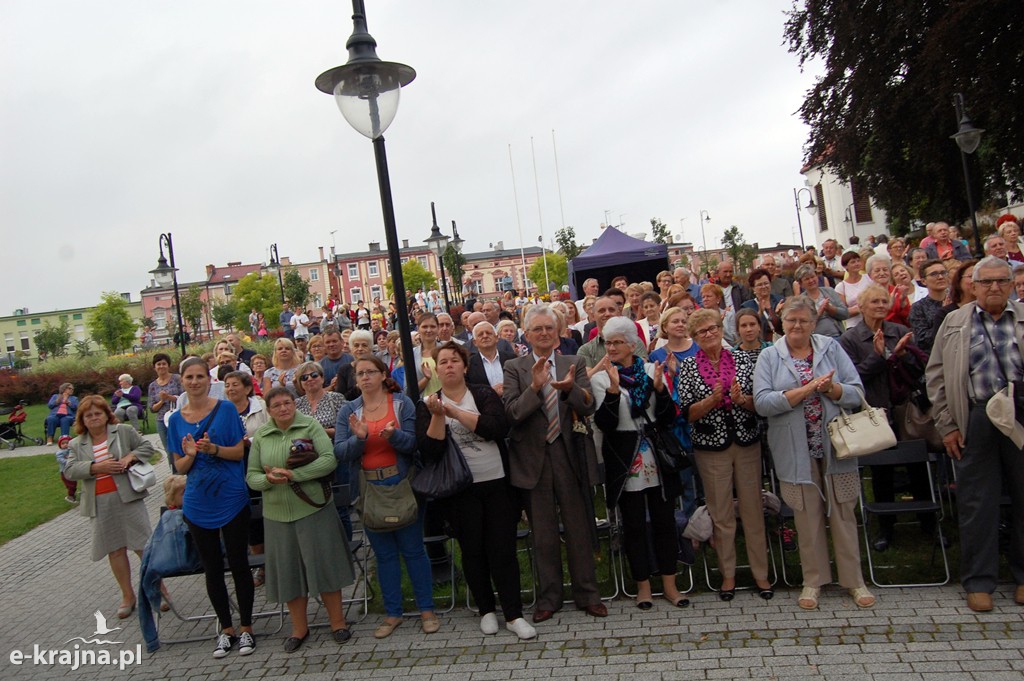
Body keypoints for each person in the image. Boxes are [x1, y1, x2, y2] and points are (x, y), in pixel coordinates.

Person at [753, 297, 875, 611]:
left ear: (812, 323)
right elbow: (763, 403)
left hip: (837, 443)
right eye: (791, 321)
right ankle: (813, 580)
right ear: (782, 324)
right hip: (795, 447)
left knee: (844, 511)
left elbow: (856, 391)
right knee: (807, 517)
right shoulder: (770, 356)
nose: (797, 326)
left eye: (803, 321)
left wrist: (832, 390)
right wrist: (805, 390)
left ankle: (854, 580)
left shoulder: (830, 348)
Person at [415, 343, 537, 639]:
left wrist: (454, 411)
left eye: (454, 361)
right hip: (459, 489)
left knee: (502, 549)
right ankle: (486, 610)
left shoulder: (481, 394)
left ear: (464, 366)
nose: (449, 366)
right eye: (443, 362)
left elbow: (496, 428)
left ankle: (514, 614)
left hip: (496, 483)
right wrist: (438, 415)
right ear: (436, 369)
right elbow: (430, 451)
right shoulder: (428, 403)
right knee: (473, 551)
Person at [926, 256, 1024, 612]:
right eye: (987, 282)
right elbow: (935, 376)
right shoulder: (955, 321)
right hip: (976, 416)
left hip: (1022, 415)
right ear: (974, 285)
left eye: (1002, 281)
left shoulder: (1021, 317)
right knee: (976, 503)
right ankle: (979, 581)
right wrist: (948, 425)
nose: (995, 287)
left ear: (1012, 285)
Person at [503, 304, 604, 623]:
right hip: (533, 458)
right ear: (527, 334)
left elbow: (589, 406)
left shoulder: (574, 362)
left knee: (578, 527)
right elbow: (512, 413)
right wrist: (534, 388)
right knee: (543, 532)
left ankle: (587, 594)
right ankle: (549, 597)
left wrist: (571, 388)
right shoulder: (514, 368)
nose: (544, 333)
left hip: (568, 453)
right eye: (537, 329)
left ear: (558, 332)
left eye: (549, 328)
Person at [334, 356, 439, 638]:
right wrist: (360, 438)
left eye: (370, 372)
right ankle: (393, 613)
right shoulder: (349, 411)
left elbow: (414, 444)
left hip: (402, 483)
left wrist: (393, 437)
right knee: (384, 555)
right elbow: (341, 453)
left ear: (383, 375)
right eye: (360, 373)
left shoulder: (402, 403)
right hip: (368, 488)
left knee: (414, 550)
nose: (365, 377)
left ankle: (426, 609)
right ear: (355, 380)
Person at [589, 318, 690, 610]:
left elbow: (669, 416)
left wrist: (659, 389)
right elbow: (605, 424)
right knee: (633, 525)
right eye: (608, 342)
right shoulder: (601, 377)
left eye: (617, 342)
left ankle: (670, 586)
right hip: (624, 456)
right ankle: (643, 587)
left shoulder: (650, 370)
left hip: (655, 455)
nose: (611, 347)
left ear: (633, 345)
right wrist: (611, 391)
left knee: (664, 522)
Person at [247, 387, 355, 652]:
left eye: (287, 403)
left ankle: (338, 623)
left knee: (325, 566)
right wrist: (268, 480)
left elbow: (329, 460)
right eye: (277, 406)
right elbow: (251, 475)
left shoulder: (310, 425)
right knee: (289, 572)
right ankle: (299, 628)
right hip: (277, 515)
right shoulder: (261, 435)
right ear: (269, 410)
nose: (283, 409)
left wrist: (295, 475)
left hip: (314, 510)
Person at [675, 308, 772, 600]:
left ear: (721, 329)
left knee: (753, 510)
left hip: (746, 441)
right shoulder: (689, 366)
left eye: (712, 328)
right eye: (701, 332)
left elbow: (762, 404)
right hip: (710, 448)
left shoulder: (743, 359)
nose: (709, 334)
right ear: (694, 338)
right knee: (722, 514)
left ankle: (761, 575)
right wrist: (711, 401)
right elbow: (686, 414)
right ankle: (727, 575)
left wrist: (742, 400)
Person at [167, 357, 254, 658]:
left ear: (209, 379)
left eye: (200, 376)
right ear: (181, 381)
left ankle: (246, 629)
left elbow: (238, 453)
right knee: (212, 568)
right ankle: (225, 630)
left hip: (230, 497)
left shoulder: (226, 409)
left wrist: (213, 449)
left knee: (240, 565)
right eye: (189, 377)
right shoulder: (176, 419)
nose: (194, 382)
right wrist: (191, 455)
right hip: (198, 502)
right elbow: (179, 465)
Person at [839, 284, 930, 551]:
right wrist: (878, 357)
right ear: (863, 306)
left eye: (883, 302)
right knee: (882, 473)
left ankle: (928, 524)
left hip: (905, 411)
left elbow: (918, 371)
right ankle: (886, 528)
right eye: (874, 302)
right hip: (873, 413)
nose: (880, 305)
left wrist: (902, 356)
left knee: (918, 468)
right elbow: (851, 378)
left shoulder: (899, 332)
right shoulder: (851, 339)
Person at [64, 395, 157, 620]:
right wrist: (96, 467)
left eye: (98, 413)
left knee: (142, 546)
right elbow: (69, 470)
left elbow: (148, 447)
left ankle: (158, 591)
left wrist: (130, 457)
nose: (94, 418)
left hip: (128, 497)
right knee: (115, 549)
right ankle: (128, 595)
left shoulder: (122, 431)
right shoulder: (77, 444)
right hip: (100, 503)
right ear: (82, 420)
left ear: (107, 414)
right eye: (89, 415)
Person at [223, 370, 269, 586]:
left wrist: (250, 440)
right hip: (235, 468)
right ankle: (260, 567)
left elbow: (271, 429)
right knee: (250, 519)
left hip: (261, 462)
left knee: (267, 514)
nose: (230, 389)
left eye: (235, 384)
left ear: (248, 388)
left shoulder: (261, 406)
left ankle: (278, 560)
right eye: (227, 385)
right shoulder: (221, 410)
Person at [793, 264, 848, 338]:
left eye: (813, 277)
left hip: (836, 336)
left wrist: (831, 309)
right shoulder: (801, 301)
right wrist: (819, 313)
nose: (811, 280)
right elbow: (802, 324)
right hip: (815, 339)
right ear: (801, 284)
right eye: (807, 279)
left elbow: (845, 314)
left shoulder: (830, 291)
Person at [908, 259, 950, 355]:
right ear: (923, 281)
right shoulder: (918, 308)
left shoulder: (958, 301)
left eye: (943, 273)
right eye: (934, 274)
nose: (940, 277)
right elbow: (922, 341)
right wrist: (943, 315)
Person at [467, 321, 516, 395]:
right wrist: (491, 392)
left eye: (488, 333)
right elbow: (470, 390)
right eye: (480, 334)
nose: (485, 336)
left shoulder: (511, 358)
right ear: (475, 342)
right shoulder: (469, 364)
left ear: (497, 338)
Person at [740, 268, 783, 341]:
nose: (763, 287)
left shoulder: (780, 300)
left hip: (780, 344)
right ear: (753, 288)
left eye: (766, 283)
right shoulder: (747, 307)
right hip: (761, 345)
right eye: (759, 285)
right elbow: (748, 329)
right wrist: (759, 313)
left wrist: (781, 314)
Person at [834, 251, 870, 328]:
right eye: (853, 262)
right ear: (845, 266)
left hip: (871, 322)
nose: (857, 264)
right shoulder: (840, 287)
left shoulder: (869, 278)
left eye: (858, 261)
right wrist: (861, 308)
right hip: (853, 326)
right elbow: (843, 312)